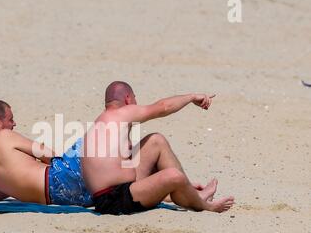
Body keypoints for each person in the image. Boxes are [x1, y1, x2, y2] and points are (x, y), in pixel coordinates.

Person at [81, 81, 235, 215]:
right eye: (135, 98)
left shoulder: (100, 122)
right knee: (174, 176)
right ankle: (206, 205)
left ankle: (191, 193)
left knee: (156, 140)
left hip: (119, 191)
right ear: (128, 99)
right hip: (113, 200)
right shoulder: (122, 112)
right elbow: (163, 107)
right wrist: (192, 97)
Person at [0, 99, 92, 206]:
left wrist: (12, 189)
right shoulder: (3, 136)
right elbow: (46, 154)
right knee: (95, 138)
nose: (14, 123)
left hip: (61, 198)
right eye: (10, 119)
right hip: (59, 177)